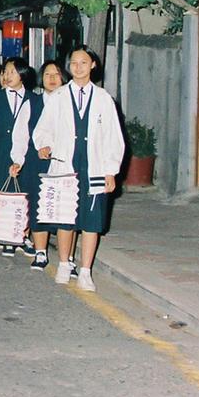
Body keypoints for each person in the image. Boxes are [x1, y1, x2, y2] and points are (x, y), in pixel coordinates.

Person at [33, 47, 124, 293]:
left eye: (84, 62)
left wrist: (110, 171)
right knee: (66, 218)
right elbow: (43, 128)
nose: (79, 67)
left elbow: (114, 137)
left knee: (91, 221)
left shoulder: (104, 98)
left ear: (92, 65)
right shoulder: (58, 97)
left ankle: (85, 271)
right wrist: (44, 145)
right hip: (65, 166)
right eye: (74, 62)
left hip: (93, 166)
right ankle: (64, 264)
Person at [10, 60, 65, 270]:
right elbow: (20, 135)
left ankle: (65, 258)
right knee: (38, 205)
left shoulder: (68, 104)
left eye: (56, 74)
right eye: (47, 74)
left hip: (63, 164)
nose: (51, 78)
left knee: (63, 208)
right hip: (36, 162)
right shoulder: (31, 102)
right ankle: (40, 252)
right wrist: (18, 160)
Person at [0, 57, 34, 258]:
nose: (7, 75)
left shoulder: (34, 98)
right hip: (1, 149)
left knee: (25, 193)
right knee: (3, 194)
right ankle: (7, 236)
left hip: (25, 152)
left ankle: (24, 235)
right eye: (5, 72)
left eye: (12, 72)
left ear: (22, 74)